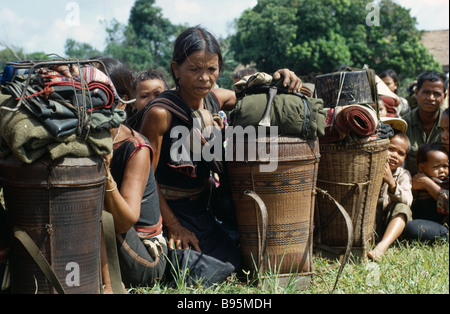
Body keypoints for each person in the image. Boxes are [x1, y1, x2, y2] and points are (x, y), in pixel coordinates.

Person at [136, 26, 302, 286]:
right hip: (166, 210)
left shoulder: (214, 99)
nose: (204, 77)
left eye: (212, 69)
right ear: (176, 69)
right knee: (201, 272)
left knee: (233, 262)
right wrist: (174, 225)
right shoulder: (161, 113)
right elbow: (145, 178)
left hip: (200, 208)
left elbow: (254, 93)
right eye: (194, 69)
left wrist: (280, 78)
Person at [98, 58, 167, 292]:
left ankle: (110, 285)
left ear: (121, 100)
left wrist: (104, 173)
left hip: (144, 256)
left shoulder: (135, 147)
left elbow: (124, 220)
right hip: (112, 243)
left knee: (92, 212)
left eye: (99, 94)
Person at [368, 128, 413, 261]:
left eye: (400, 153)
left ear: (405, 158)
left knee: (403, 208)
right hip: (369, 221)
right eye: (391, 149)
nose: (394, 155)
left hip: (387, 223)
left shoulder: (403, 174)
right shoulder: (370, 167)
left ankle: (382, 247)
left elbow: (408, 200)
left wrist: (392, 183)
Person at [403, 70, 447, 176]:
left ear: (444, 96)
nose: (431, 98)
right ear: (417, 93)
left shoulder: (447, 122)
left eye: (436, 94)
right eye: (426, 92)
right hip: (410, 187)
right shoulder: (404, 124)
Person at [404, 141, 449, 242]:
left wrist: (428, 185)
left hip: (442, 224)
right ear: (421, 167)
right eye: (436, 167)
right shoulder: (416, 181)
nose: (442, 170)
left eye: (445, 166)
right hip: (423, 222)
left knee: (413, 228)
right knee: (411, 227)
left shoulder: (446, 182)